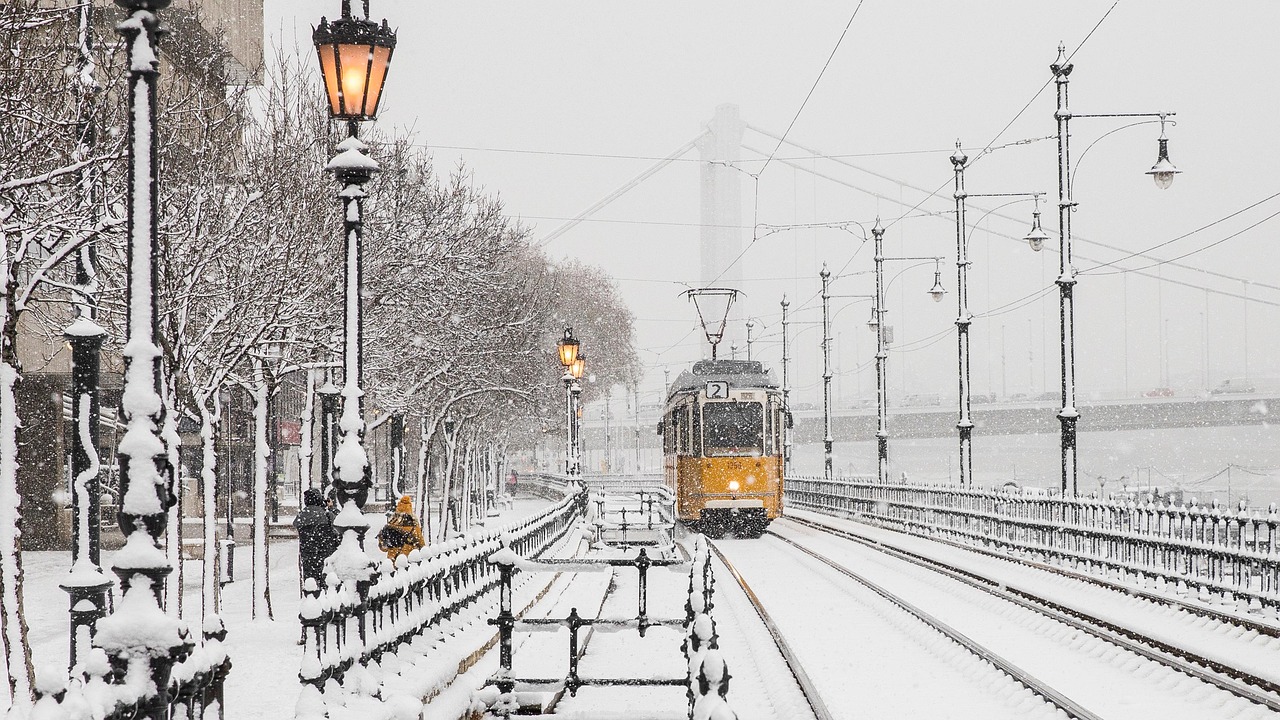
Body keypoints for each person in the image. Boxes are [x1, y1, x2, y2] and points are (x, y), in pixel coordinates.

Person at [294, 488, 339, 588]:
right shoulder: (327, 515)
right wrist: (331, 507)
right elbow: (340, 523)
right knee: (327, 584)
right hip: (326, 555)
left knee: (311, 585)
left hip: (308, 557)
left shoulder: (301, 516)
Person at [378, 495, 426, 561]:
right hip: (407, 559)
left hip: (392, 559)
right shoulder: (413, 523)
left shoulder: (392, 521)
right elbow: (420, 542)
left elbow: (384, 547)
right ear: (410, 507)